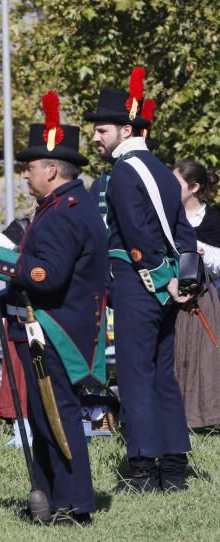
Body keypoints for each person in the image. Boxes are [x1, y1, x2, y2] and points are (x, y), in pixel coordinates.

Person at [0, 91, 106, 525]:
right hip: (43, 325)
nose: (26, 175)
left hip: (55, 329)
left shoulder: (66, 211)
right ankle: (48, 498)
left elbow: (47, 275)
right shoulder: (59, 205)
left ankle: (75, 506)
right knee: (41, 417)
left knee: (58, 416)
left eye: (30, 168)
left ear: (51, 170)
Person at [85, 68, 195, 491]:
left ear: (125, 130)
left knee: (134, 376)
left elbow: (138, 236)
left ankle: (143, 471)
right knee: (162, 376)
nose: (97, 137)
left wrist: (158, 279)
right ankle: (174, 469)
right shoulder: (165, 172)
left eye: (102, 130)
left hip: (138, 284)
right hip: (165, 287)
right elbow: (183, 233)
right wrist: (183, 281)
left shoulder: (125, 173)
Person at [171, 160, 220, 429]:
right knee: (176, 354)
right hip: (171, 298)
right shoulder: (166, 217)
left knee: (204, 359)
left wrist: (198, 247)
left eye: (176, 183)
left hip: (203, 297)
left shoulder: (212, 220)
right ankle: (177, 415)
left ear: (194, 187)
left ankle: (205, 418)